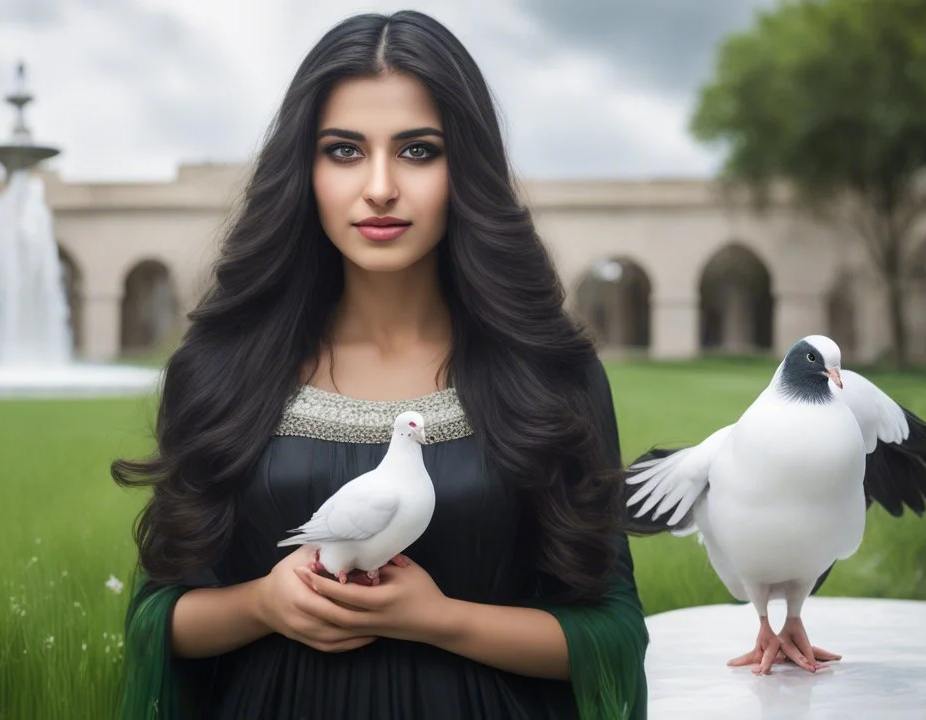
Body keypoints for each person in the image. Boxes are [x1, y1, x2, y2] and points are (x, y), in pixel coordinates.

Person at [110, 10, 649, 719]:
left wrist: (437, 618)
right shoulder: (220, 370)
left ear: (468, 169)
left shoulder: (549, 379)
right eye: (344, 151)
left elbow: (612, 630)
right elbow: (158, 617)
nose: (381, 186)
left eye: (419, 151)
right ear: (303, 169)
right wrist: (263, 603)